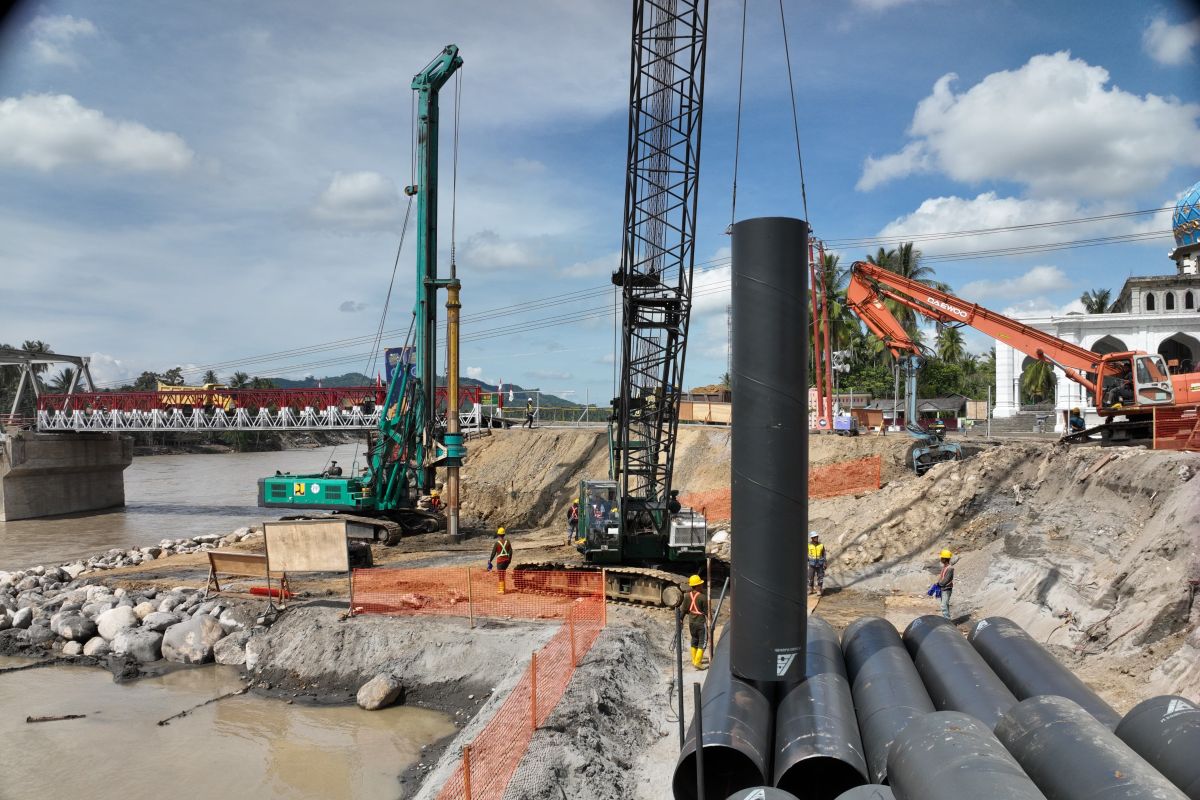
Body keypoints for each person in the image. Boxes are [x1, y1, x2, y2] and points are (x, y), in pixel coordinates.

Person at [684, 574, 709, 669]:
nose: (702, 586)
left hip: (691, 623)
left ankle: (694, 660)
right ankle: (698, 663)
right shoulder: (703, 597)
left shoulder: (686, 596)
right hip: (700, 623)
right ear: (697, 586)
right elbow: (707, 612)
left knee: (694, 640)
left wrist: (681, 620)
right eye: (700, 584)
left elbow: (683, 610)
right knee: (703, 642)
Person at [487, 527, 513, 594]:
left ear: (498, 535)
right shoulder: (508, 542)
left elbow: (493, 553)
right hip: (506, 561)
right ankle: (503, 588)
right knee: (503, 573)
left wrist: (490, 560)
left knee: (500, 575)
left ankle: (501, 590)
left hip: (500, 561)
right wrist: (509, 560)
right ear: (504, 534)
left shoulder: (497, 543)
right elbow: (511, 552)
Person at [936, 549, 954, 620]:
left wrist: (939, 584)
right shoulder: (945, 567)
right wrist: (938, 583)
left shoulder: (950, 568)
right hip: (943, 589)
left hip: (947, 589)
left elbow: (946, 580)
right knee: (945, 605)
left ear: (945, 559)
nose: (941, 559)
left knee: (943, 606)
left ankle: (947, 621)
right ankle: (947, 619)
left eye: (942, 558)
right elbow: (942, 577)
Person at [808, 532, 827, 596]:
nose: (816, 538)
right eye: (815, 537)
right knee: (810, 577)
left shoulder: (821, 545)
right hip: (811, 564)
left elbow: (824, 554)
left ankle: (819, 590)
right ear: (812, 538)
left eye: (817, 537)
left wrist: (825, 562)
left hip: (820, 564)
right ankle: (811, 589)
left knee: (820, 577)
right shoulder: (808, 545)